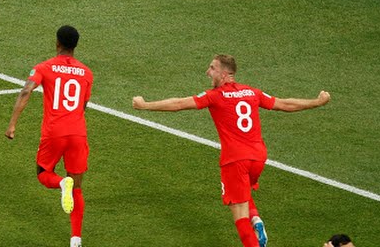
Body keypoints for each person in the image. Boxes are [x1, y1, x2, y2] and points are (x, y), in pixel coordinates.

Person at [132, 54, 330, 247]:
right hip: (258, 158)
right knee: (244, 190)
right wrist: (316, 102)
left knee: (240, 218)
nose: (207, 72)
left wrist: (145, 105)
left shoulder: (215, 96)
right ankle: (256, 219)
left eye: (212, 68)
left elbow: (178, 104)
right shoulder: (252, 92)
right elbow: (285, 104)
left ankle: (253, 227)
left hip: (235, 160)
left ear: (224, 74)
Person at [5, 25, 94, 247]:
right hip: (78, 133)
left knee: (43, 173)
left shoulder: (44, 67)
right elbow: (83, 105)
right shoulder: (86, 72)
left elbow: (26, 91)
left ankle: (62, 183)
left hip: (55, 132)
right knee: (78, 187)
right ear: (76, 46)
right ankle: (76, 240)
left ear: (57, 43)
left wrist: (12, 124)